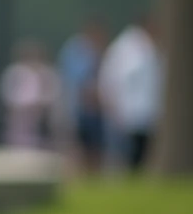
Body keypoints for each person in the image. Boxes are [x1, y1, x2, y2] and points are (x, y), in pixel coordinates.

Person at [99, 17, 161, 171]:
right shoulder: (129, 48)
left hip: (140, 111)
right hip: (128, 109)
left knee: (139, 150)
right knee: (126, 151)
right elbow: (114, 79)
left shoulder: (145, 48)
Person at [56, 20, 107, 171]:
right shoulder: (76, 50)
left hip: (93, 109)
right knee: (80, 145)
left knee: (95, 146)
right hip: (79, 108)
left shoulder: (96, 51)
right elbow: (77, 80)